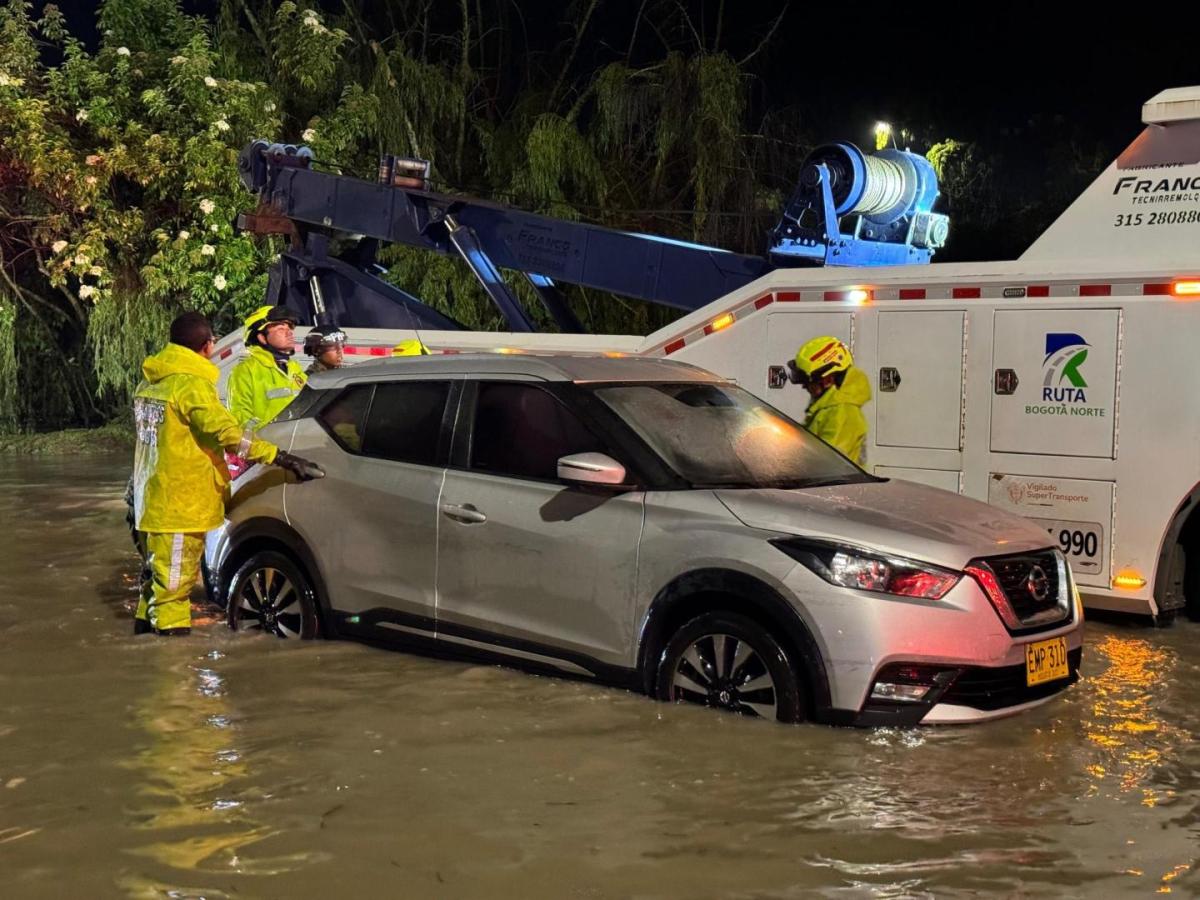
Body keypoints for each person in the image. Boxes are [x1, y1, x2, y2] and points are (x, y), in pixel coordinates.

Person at [132, 311, 324, 636]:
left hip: (154, 499)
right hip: (181, 503)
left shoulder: (152, 380)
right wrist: (279, 456)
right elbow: (229, 435)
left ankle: (142, 646)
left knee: (160, 581)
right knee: (174, 593)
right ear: (207, 346)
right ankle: (172, 675)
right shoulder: (190, 386)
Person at [787, 336, 871, 465]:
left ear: (828, 379)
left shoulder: (842, 412)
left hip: (837, 484)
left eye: (809, 382)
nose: (804, 386)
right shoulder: (827, 406)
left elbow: (826, 462)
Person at [226, 305, 307, 428]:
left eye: (290, 328)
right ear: (262, 337)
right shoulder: (245, 371)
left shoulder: (295, 368)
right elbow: (240, 417)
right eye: (281, 329)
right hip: (269, 444)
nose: (289, 333)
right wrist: (269, 435)